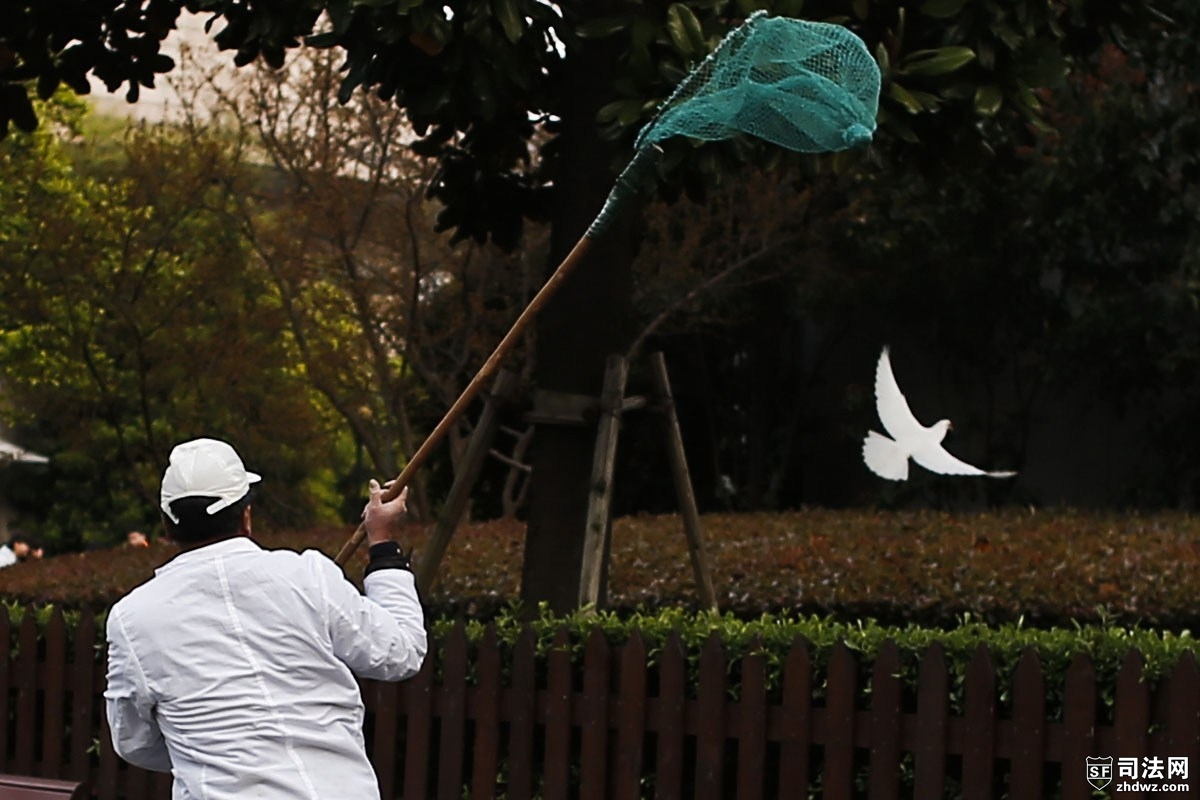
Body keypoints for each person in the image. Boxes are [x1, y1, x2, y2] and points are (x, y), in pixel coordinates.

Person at [104, 437, 426, 799]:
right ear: (246, 514)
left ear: (166, 525)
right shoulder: (308, 575)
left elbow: (133, 740)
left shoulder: (132, 618)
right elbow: (401, 652)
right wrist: (381, 542)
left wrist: (205, 749)